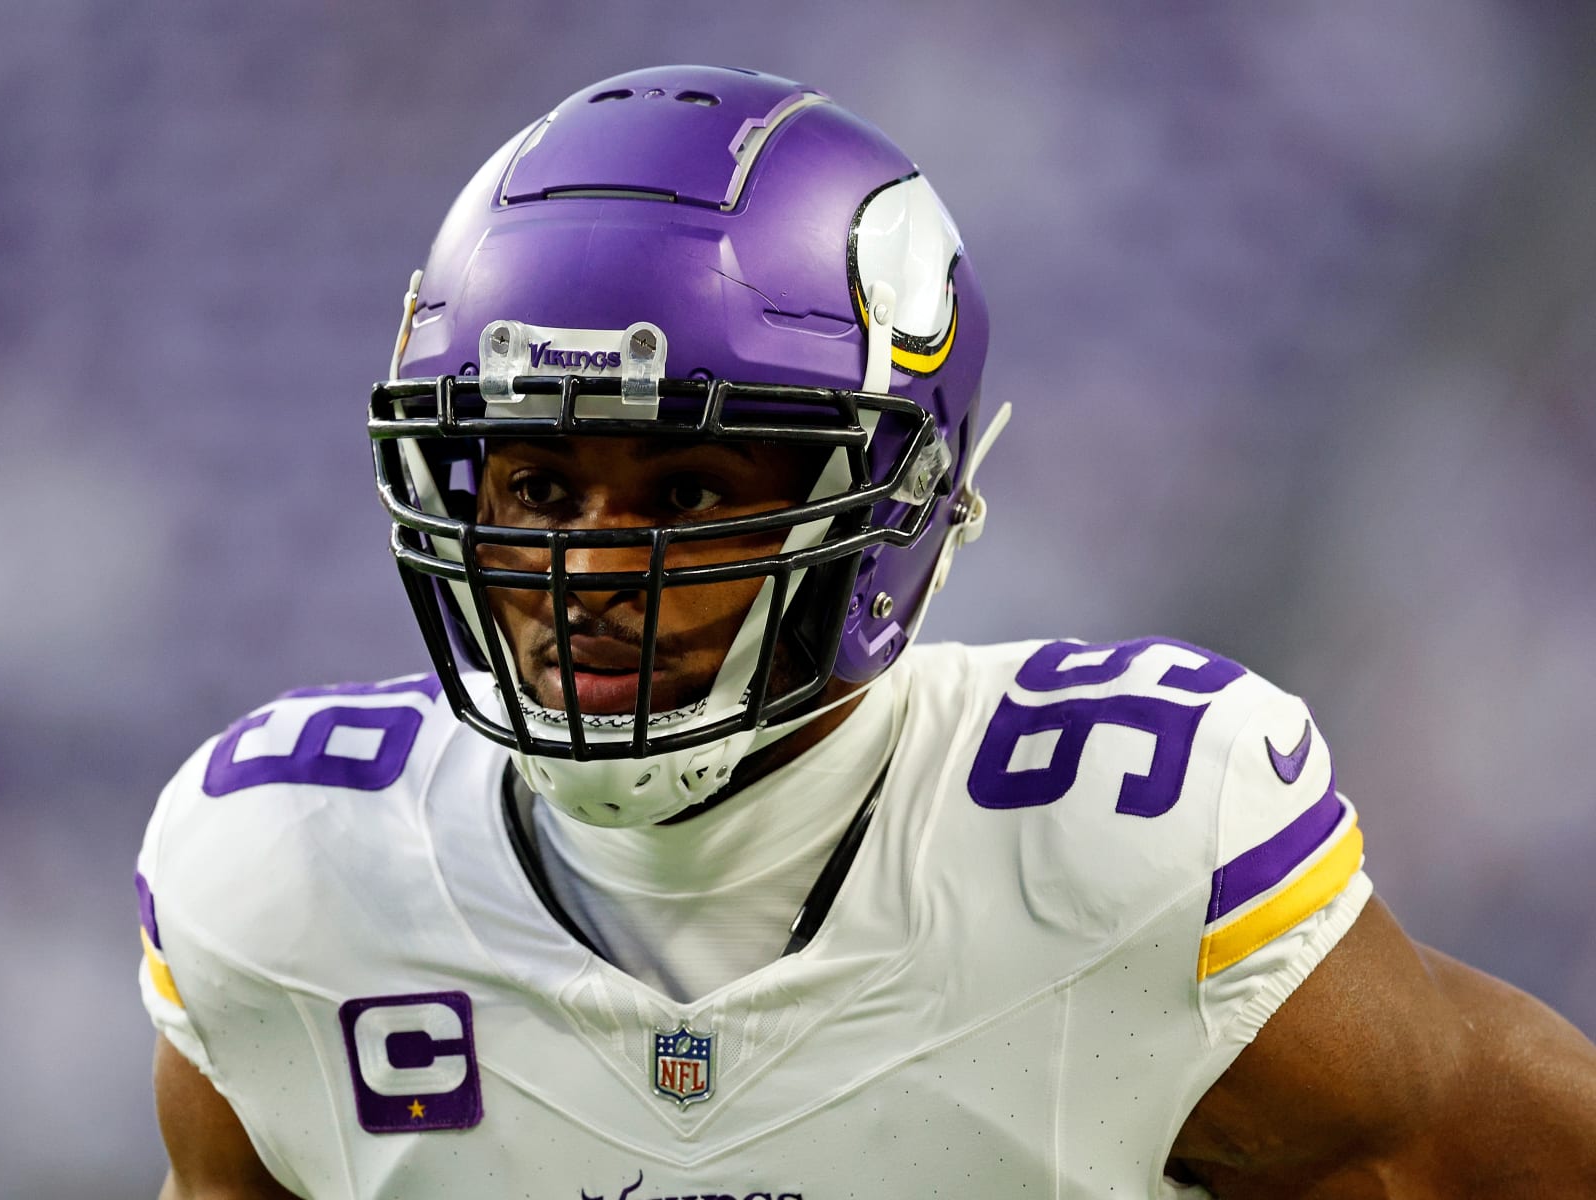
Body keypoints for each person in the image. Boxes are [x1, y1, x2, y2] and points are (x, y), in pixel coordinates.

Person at [136, 65, 1596, 1199]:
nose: (583, 569)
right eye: (531, 484)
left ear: (894, 502)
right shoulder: (283, 884)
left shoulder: (1117, 850)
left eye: (687, 489)